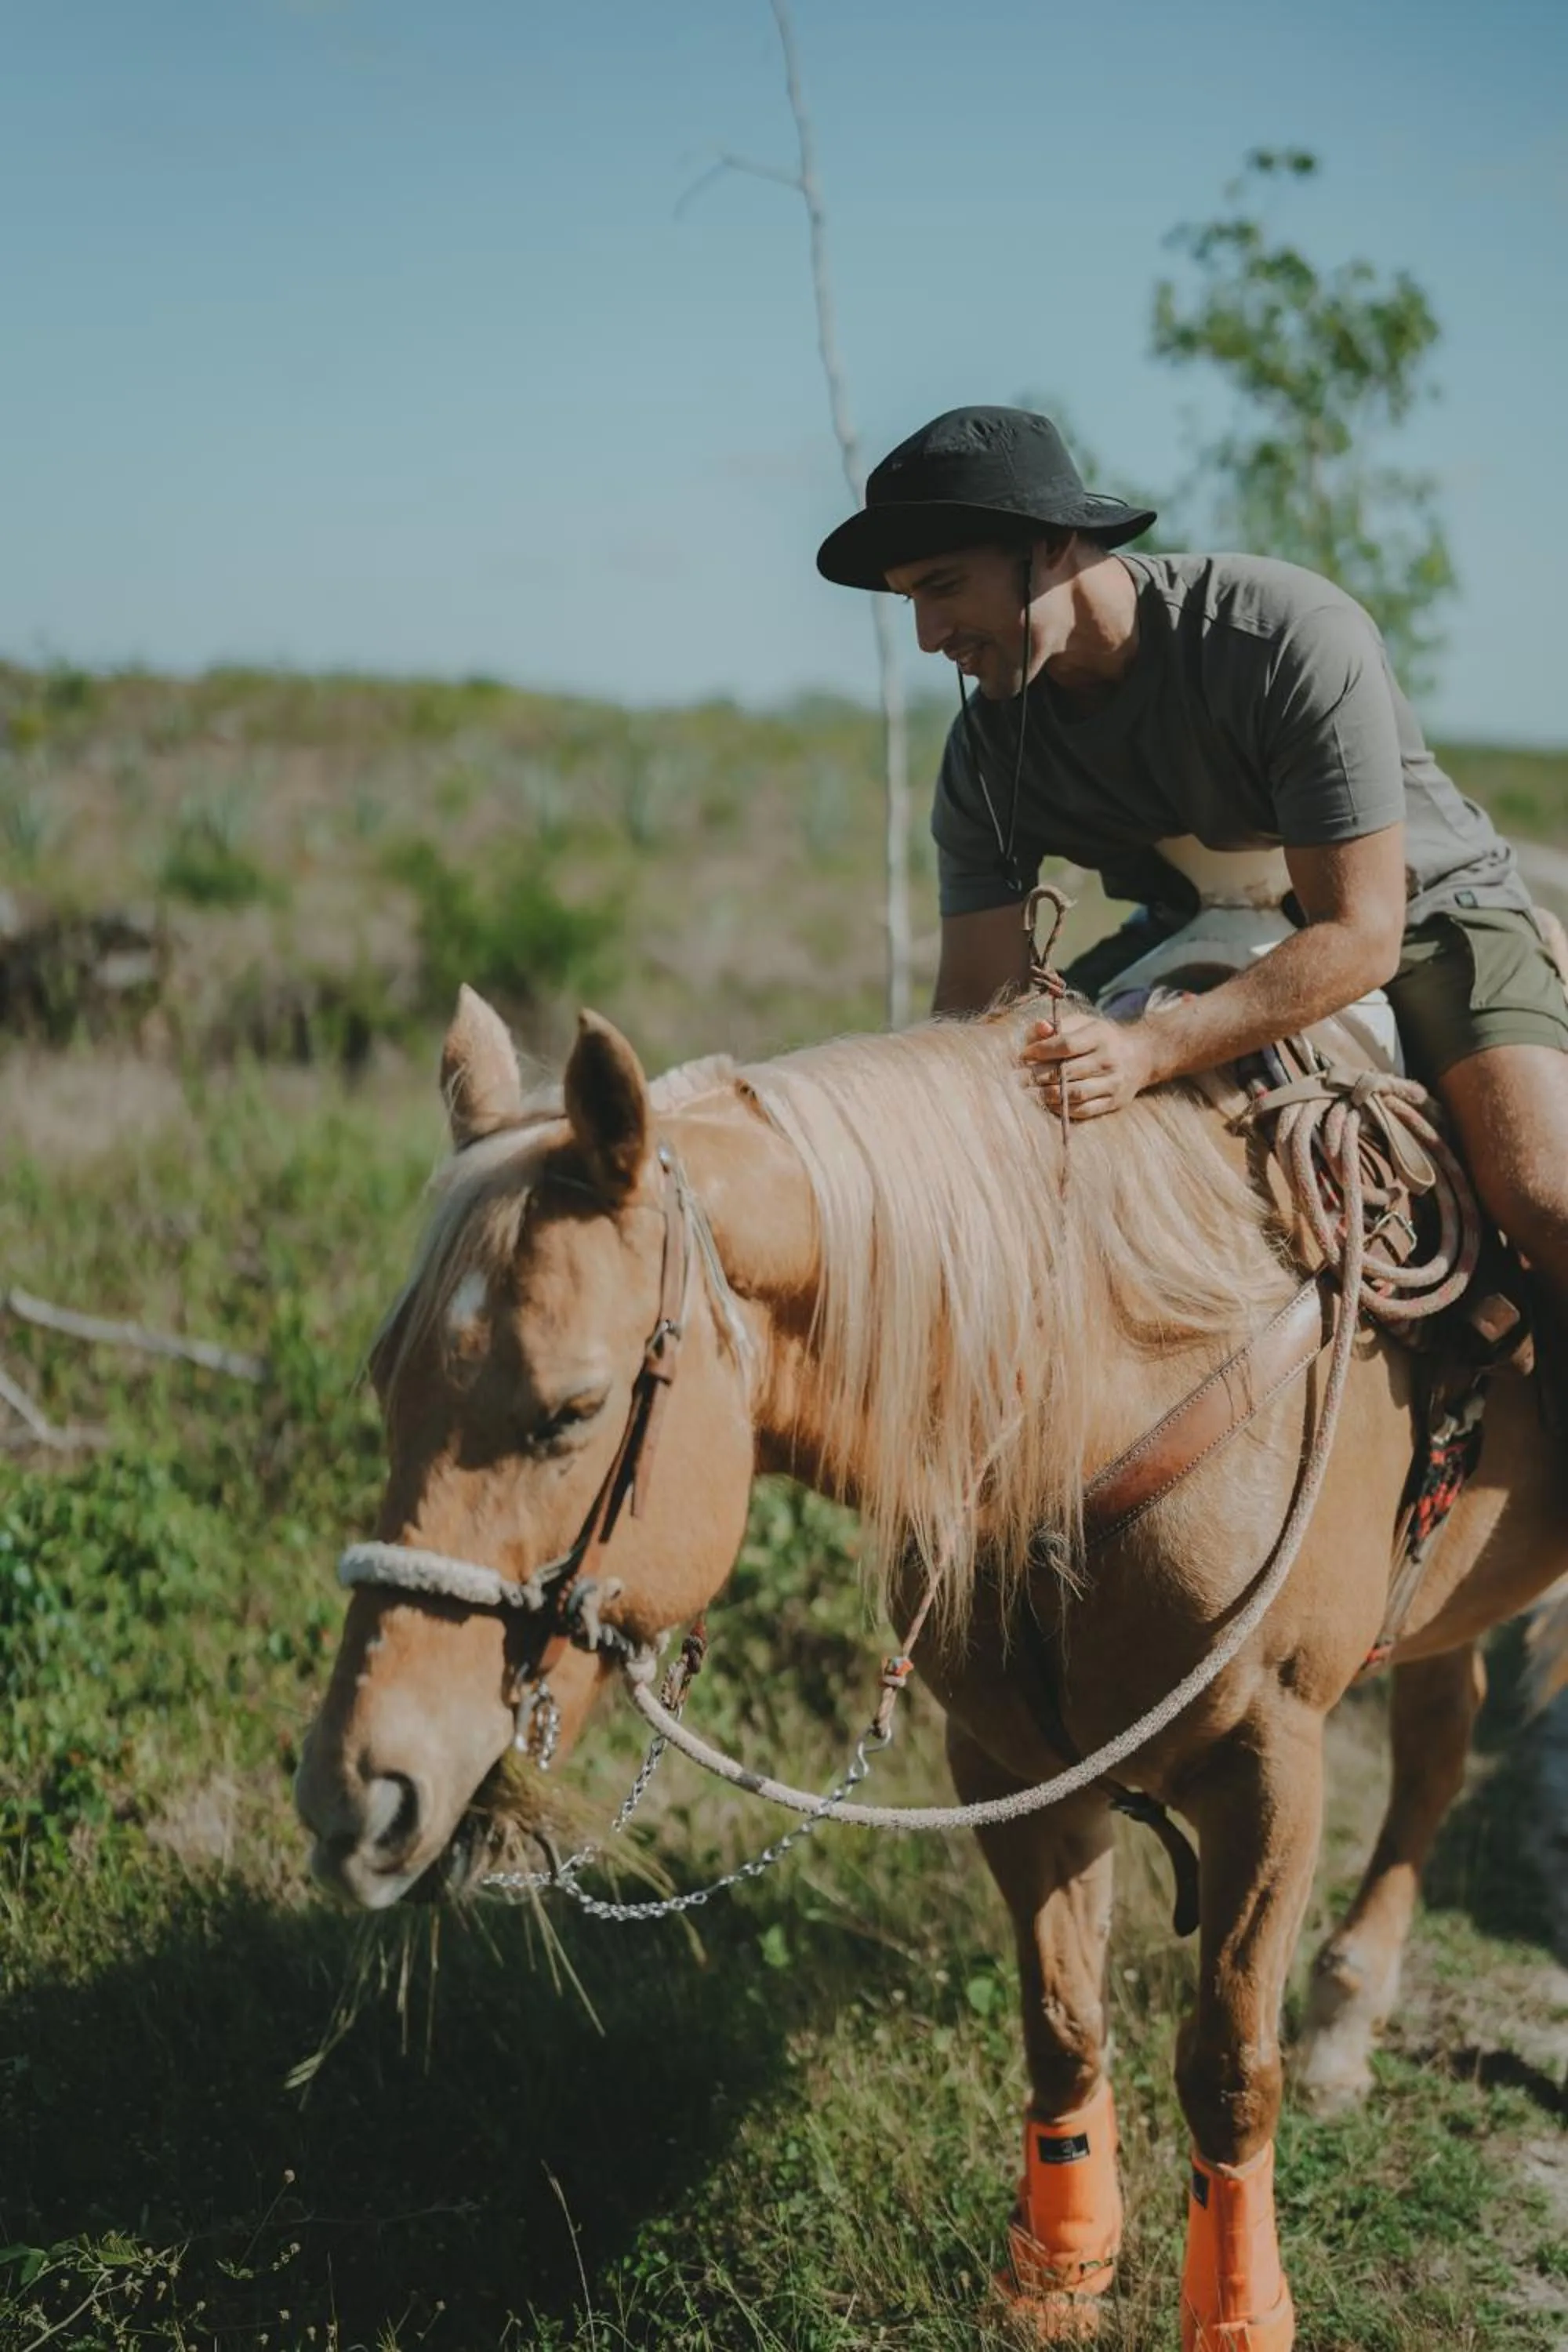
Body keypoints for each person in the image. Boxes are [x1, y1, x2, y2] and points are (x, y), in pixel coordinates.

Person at [815, 404, 1568, 1330]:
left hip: (1420, 916)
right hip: (1189, 931)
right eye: (910, 602)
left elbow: (1360, 935)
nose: (930, 636)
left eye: (943, 587)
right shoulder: (983, 754)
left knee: (1544, 1196)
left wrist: (1145, 1049)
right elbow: (975, 1004)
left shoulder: (1284, 635)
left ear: (1052, 544)